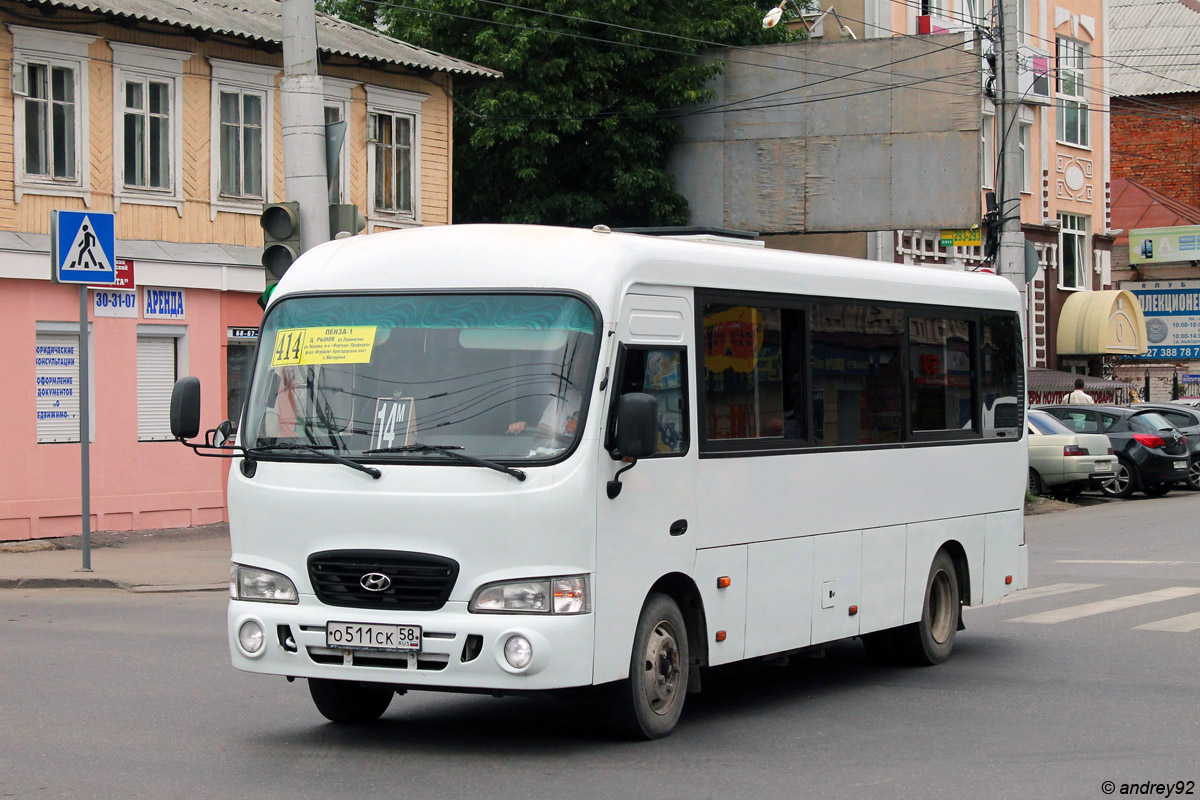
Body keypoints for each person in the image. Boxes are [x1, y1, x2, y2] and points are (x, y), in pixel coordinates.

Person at [507, 387, 582, 439]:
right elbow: (542, 432)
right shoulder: (563, 399)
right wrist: (521, 429)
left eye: (583, 366)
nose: (580, 370)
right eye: (578, 366)